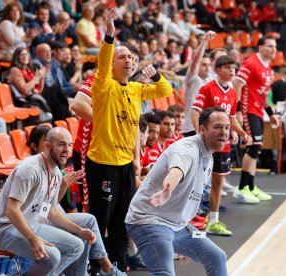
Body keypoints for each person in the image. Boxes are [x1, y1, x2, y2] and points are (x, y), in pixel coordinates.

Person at [85, 8, 173, 272]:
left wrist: (155, 73)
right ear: (113, 63)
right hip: (102, 163)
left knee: (122, 221)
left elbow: (165, 89)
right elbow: (103, 61)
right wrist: (110, 35)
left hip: (124, 165)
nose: (129, 61)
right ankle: (93, 266)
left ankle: (118, 265)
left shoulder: (135, 89)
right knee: (101, 220)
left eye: (132, 58)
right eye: (122, 57)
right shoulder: (104, 85)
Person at [0, 127, 125, 276]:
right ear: (47, 145)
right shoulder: (29, 170)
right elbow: (12, 210)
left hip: (31, 223)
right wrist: (33, 239)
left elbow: (50, 210)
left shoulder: (56, 172)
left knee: (77, 246)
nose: (67, 150)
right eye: (61, 144)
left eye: (69, 145)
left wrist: (78, 230)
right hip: (5, 230)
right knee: (53, 256)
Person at [125, 107, 228, 276]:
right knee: (164, 273)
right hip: (150, 222)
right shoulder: (187, 149)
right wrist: (168, 189)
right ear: (202, 129)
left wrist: (186, 235)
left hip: (180, 228)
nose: (224, 132)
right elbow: (176, 171)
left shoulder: (208, 158)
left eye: (226, 127)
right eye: (218, 127)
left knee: (217, 256)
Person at [191, 56, 251, 236]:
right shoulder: (207, 88)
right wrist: (199, 135)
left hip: (222, 144)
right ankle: (190, 218)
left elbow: (231, 118)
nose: (232, 71)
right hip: (207, 144)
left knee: (218, 180)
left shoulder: (232, 93)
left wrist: (242, 133)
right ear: (217, 70)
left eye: (234, 67)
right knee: (196, 182)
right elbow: (195, 112)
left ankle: (214, 222)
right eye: (227, 67)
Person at [232, 35, 280, 203]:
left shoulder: (268, 67)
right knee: (253, 147)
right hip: (247, 109)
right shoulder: (251, 63)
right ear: (260, 48)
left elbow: (263, 93)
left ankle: (251, 187)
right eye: (269, 46)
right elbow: (237, 84)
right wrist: (237, 110)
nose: (273, 49)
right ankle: (242, 188)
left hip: (259, 110)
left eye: (275, 46)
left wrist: (271, 113)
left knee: (256, 148)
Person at [182, 31, 216, 137]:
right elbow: (196, 60)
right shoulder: (192, 78)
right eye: (204, 65)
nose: (207, 67)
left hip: (207, 127)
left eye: (209, 65)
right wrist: (205, 41)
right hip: (191, 128)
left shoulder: (211, 79)